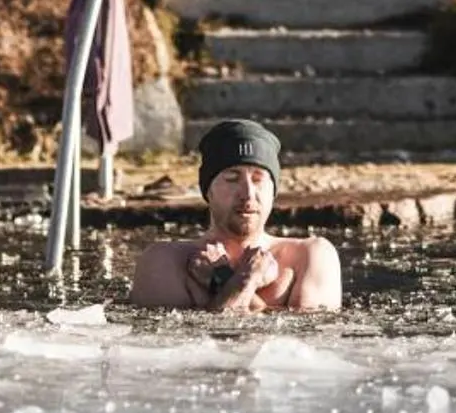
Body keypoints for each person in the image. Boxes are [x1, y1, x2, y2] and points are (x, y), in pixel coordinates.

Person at [128, 118, 342, 313]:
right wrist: (246, 280)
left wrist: (223, 280)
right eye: (232, 178)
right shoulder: (164, 261)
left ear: (273, 191)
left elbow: (306, 346)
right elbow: (182, 348)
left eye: (258, 179)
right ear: (208, 190)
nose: (248, 193)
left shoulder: (311, 255)